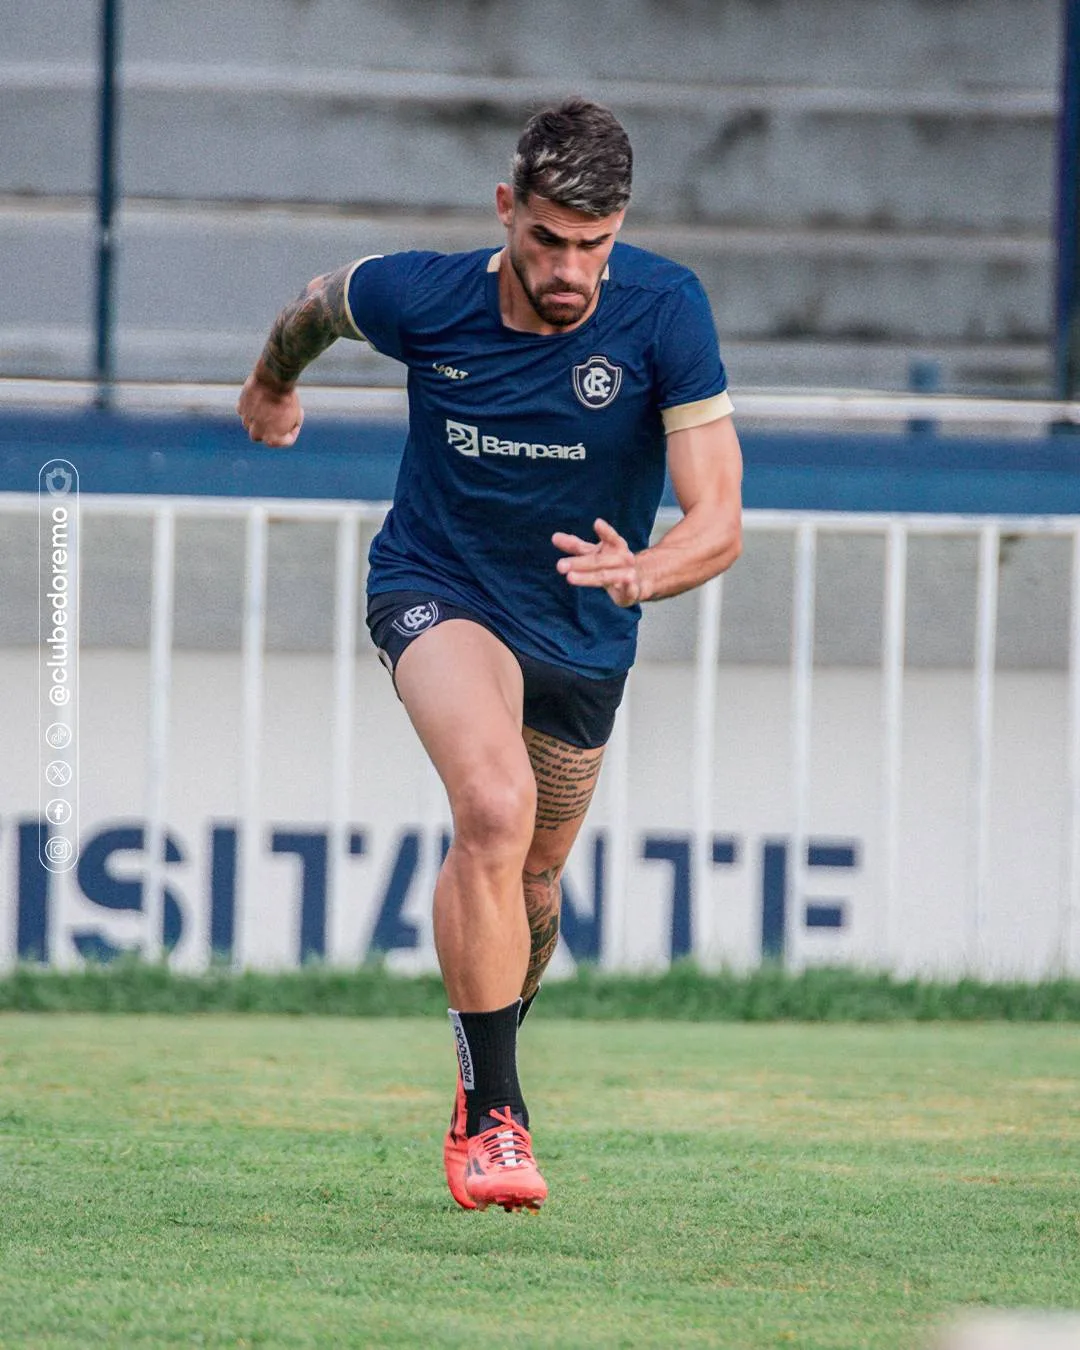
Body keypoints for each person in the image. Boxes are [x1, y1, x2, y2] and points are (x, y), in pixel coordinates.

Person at [237, 97, 743, 1213]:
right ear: (507, 210)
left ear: (622, 230)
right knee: (491, 805)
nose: (570, 271)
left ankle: (491, 1046)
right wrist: (274, 382)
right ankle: (492, 1115)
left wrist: (647, 571)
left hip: (585, 622)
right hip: (439, 585)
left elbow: (720, 520)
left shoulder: (665, 314)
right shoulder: (425, 295)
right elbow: (318, 307)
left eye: (594, 246)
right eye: (548, 239)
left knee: (537, 880)